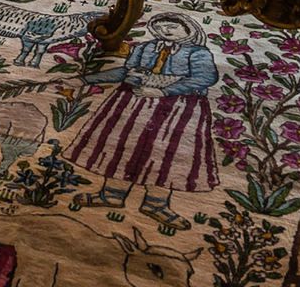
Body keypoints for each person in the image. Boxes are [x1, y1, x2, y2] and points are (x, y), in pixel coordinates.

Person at [66, 12, 218, 233]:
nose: (166, 30)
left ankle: (156, 205)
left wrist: (163, 90)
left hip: (178, 106)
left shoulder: (197, 52)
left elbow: (206, 78)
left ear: (189, 30)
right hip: (133, 101)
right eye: (161, 26)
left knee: (165, 153)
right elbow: (125, 71)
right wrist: (85, 79)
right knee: (122, 143)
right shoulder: (144, 48)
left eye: (172, 27)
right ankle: (111, 195)